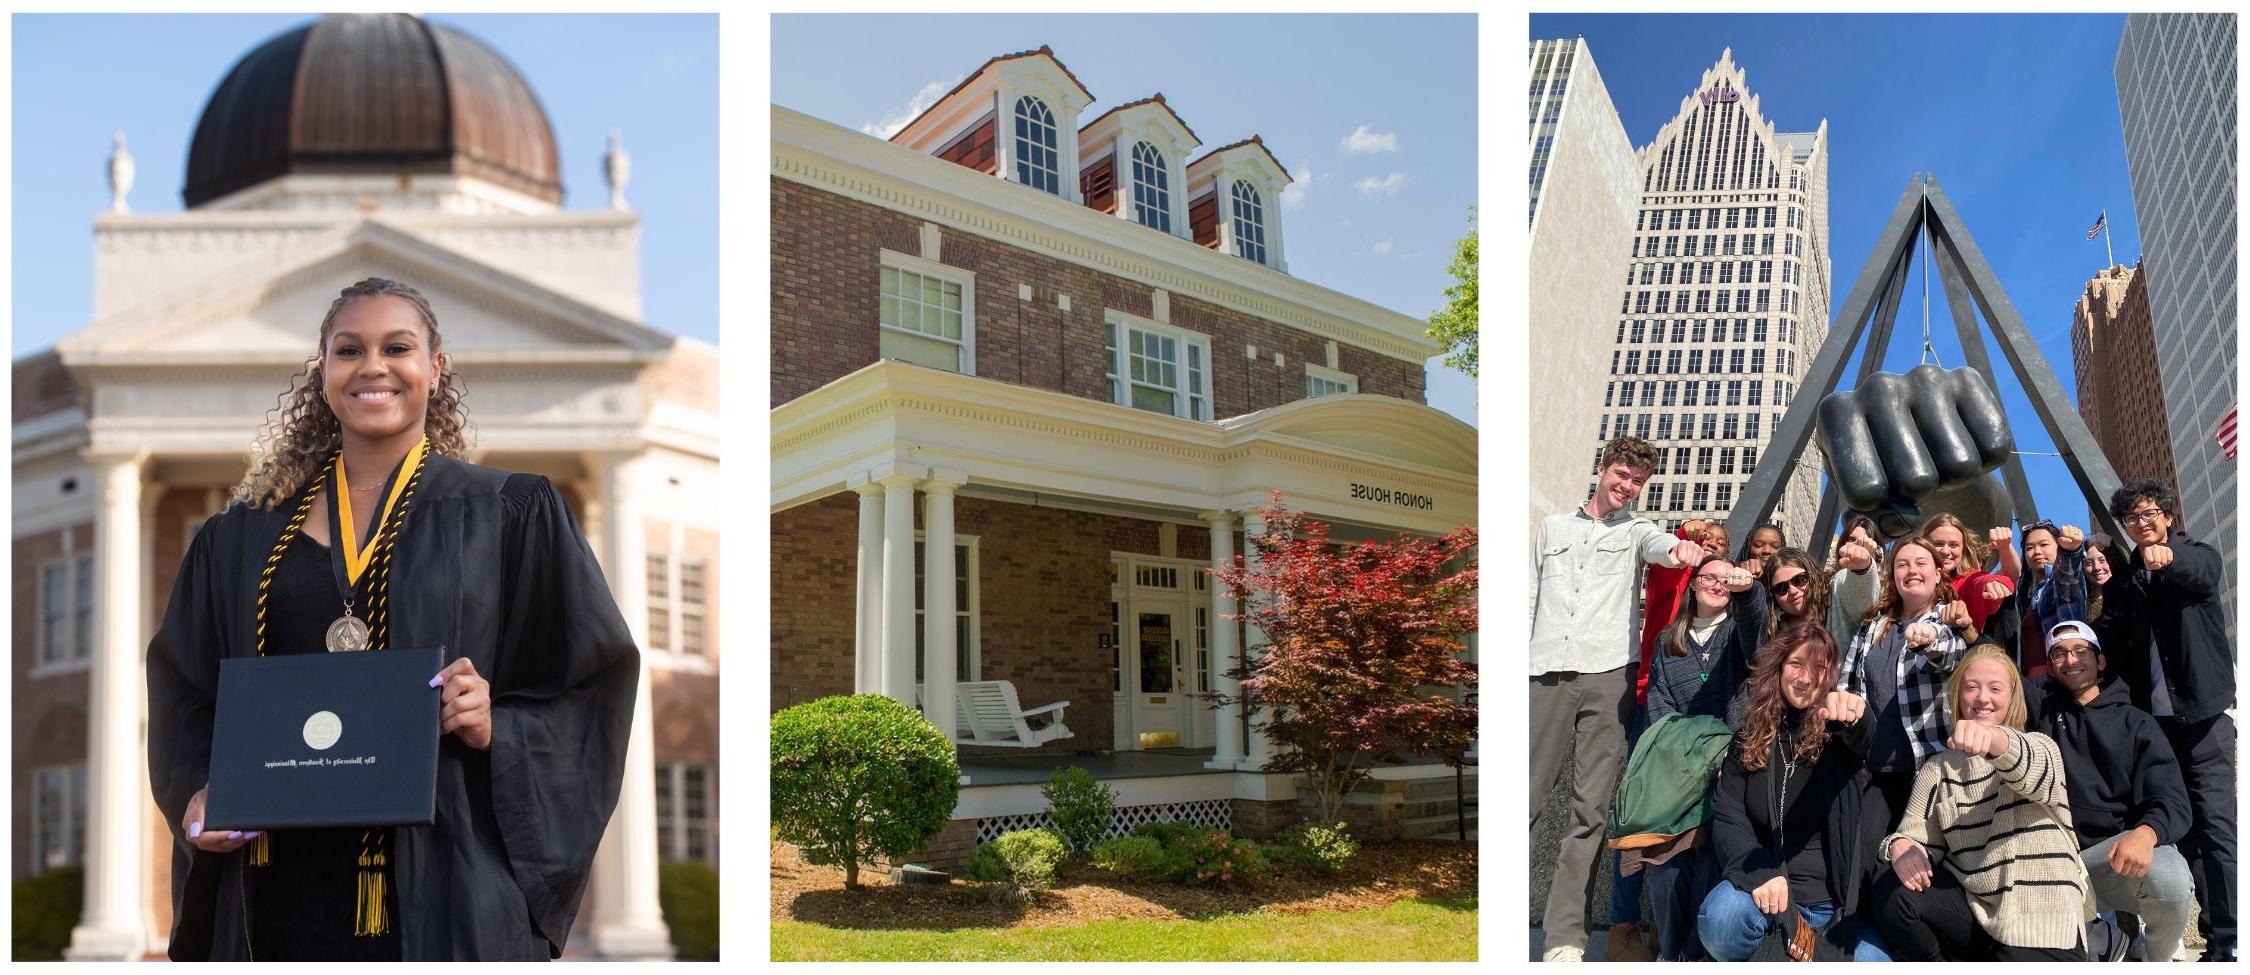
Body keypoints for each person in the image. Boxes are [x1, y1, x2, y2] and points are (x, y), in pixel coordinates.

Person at [145, 278, 642, 961]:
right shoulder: (238, 539)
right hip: (271, 895)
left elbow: (592, 680)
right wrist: (198, 791)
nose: (372, 365)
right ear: (323, 372)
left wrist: (500, 717)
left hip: (445, 887)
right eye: (349, 349)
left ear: (435, 367)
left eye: (397, 346)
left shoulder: (511, 514)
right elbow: (185, 688)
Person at [1531, 436, 1704, 963]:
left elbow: (1663, 549)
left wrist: (1683, 551)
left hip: (1609, 676)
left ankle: (1564, 937)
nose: (1626, 487)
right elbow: (1530, 595)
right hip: (1542, 673)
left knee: (1589, 812)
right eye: (1621, 475)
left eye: (1637, 481)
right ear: (1602, 469)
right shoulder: (1552, 529)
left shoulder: (1637, 531)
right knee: (1523, 801)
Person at [1872, 646, 2092, 960]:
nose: (1982, 698)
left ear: (2012, 697)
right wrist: (1901, 847)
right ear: (1958, 694)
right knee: (1889, 889)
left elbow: (2027, 765)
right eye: (1972, 687)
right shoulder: (1938, 768)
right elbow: (1913, 835)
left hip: (2041, 922)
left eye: (1995, 688)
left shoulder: (2039, 745)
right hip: (1976, 914)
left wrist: (1993, 741)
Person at [2100, 477, 2236, 961]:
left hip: (2201, 720)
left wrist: (2170, 558)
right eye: (2132, 517)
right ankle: (2205, 934)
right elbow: (2112, 647)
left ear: (2167, 516)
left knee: (2217, 826)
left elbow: (2203, 572)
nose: (2142, 523)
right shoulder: (2128, 579)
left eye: (2149, 513)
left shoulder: (2194, 555)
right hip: (2154, 728)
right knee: (2181, 828)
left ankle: (2232, 940)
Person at [1698, 623, 1888, 961]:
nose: (1804, 677)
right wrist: (1761, 875)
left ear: (1830, 676)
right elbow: (1728, 814)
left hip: (1832, 909)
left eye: (1818, 667)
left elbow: (1865, 737)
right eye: (1796, 664)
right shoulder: (1749, 737)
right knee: (1721, 921)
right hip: (1767, 898)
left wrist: (1857, 716)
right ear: (1779, 667)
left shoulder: (1837, 734)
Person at [2030, 620, 2195, 963]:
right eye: (2059, 653)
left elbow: (2172, 800)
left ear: (2100, 661)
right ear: (2050, 667)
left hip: (2113, 862)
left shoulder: (2137, 722)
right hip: (2055, 868)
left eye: (2080, 651)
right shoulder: (2042, 713)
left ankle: (2152, 955)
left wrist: (2146, 834)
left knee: (2170, 876)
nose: (2070, 659)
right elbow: (1996, 678)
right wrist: (1970, 631)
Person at [1608, 515, 1729, 960]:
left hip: (1709, 732)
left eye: (1720, 544)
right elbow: (1669, 552)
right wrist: (1685, 533)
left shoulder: (1728, 612)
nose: (1710, 546)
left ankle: (1668, 928)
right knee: (1642, 815)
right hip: (1653, 710)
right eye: (1705, 541)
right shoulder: (1672, 572)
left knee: (1694, 830)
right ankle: (1624, 927)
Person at [1636, 557, 1757, 960]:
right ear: (1693, 584)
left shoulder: (1737, 632)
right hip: (1679, 773)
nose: (1717, 585)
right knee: (1667, 873)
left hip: (1729, 769)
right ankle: (1671, 955)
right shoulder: (1670, 640)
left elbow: (1754, 625)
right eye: (1709, 577)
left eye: (1726, 579)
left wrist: (1747, 593)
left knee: (1710, 869)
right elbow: (1660, 704)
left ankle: (1697, 956)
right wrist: (1685, 756)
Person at [1837, 537, 1973, 834]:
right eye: (1902, 564)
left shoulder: (1947, 619)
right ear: (1892, 575)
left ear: (1937, 574)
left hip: (1929, 769)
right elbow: (1846, 684)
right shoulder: (1871, 625)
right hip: (1874, 771)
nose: (1911, 570)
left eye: (1921, 563)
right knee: (1861, 859)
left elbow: (1952, 653)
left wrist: (1928, 639)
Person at [2014, 521, 2092, 684]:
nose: (2036, 552)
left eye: (2044, 545)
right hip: (2030, 683)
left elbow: (2068, 576)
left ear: (2058, 545)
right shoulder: (2026, 595)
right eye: (2029, 548)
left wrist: (2070, 551)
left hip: (2062, 675)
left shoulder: (2058, 582)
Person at [1918, 511, 2015, 633]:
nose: (1946, 551)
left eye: (1953, 545)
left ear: (1963, 550)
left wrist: (1991, 583)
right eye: (1938, 544)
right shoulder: (1911, 579)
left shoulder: (1966, 581)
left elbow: (1979, 580)